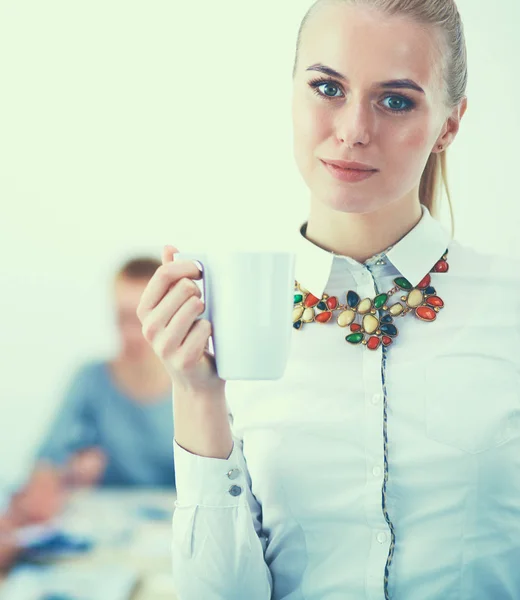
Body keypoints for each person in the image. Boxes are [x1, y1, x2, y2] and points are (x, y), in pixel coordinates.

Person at [137, 1, 520, 598]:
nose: (353, 130)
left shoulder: (511, 310)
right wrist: (195, 392)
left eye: (396, 100)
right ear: (293, 94)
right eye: (327, 87)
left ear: (450, 123)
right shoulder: (228, 319)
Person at [0, 257, 175, 571]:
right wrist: (61, 477)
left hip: (174, 550)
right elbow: (46, 461)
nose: (132, 334)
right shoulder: (91, 380)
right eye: (122, 318)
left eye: (143, 319)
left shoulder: (196, 387)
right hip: (107, 551)